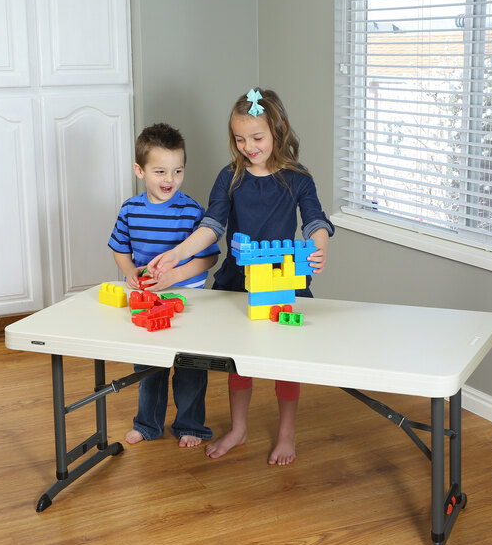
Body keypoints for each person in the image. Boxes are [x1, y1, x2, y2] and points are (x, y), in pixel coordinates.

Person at [147, 89, 334, 465]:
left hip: (283, 284)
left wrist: (320, 244)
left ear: (278, 130)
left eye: (257, 137)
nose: (248, 146)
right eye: (239, 139)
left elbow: (315, 219)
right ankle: (239, 428)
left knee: (285, 361)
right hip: (236, 283)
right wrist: (179, 252)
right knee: (239, 360)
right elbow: (212, 225)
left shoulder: (297, 178)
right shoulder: (229, 177)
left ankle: (286, 434)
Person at [108, 123, 220, 448]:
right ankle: (147, 424)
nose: (169, 180)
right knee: (149, 368)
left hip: (189, 302)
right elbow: (119, 247)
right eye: (159, 171)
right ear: (139, 170)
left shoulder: (191, 211)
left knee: (191, 369)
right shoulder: (130, 210)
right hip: (147, 302)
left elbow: (208, 258)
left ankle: (190, 425)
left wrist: (176, 276)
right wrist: (129, 270)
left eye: (177, 171)